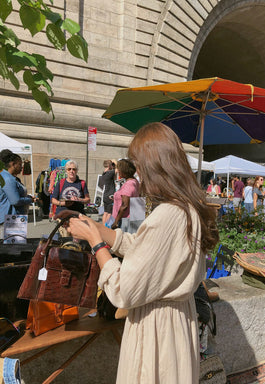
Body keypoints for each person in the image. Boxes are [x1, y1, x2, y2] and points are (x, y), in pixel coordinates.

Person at [56, 122, 219, 384]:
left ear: (155, 167)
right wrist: (96, 228)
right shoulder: (187, 208)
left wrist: (97, 244)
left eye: (140, 166)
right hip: (176, 321)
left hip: (156, 327)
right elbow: (148, 250)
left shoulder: (168, 214)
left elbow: (124, 290)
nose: (139, 174)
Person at [0, 149, 37, 238]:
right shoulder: (8, 179)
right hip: (11, 219)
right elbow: (15, 200)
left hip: (12, 218)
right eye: (20, 164)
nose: (22, 167)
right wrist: (29, 200)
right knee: (13, 249)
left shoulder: (8, 177)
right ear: (13, 164)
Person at [111, 159, 139, 232]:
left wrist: (116, 221)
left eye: (119, 169)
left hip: (124, 220)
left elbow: (125, 205)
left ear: (124, 171)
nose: (118, 171)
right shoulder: (134, 181)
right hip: (131, 218)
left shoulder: (129, 184)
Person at [99, 160, 115, 225]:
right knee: (109, 213)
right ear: (109, 166)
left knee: (105, 212)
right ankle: (107, 226)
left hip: (105, 194)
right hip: (110, 195)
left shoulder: (104, 173)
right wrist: (115, 162)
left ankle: (103, 226)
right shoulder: (110, 173)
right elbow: (118, 169)